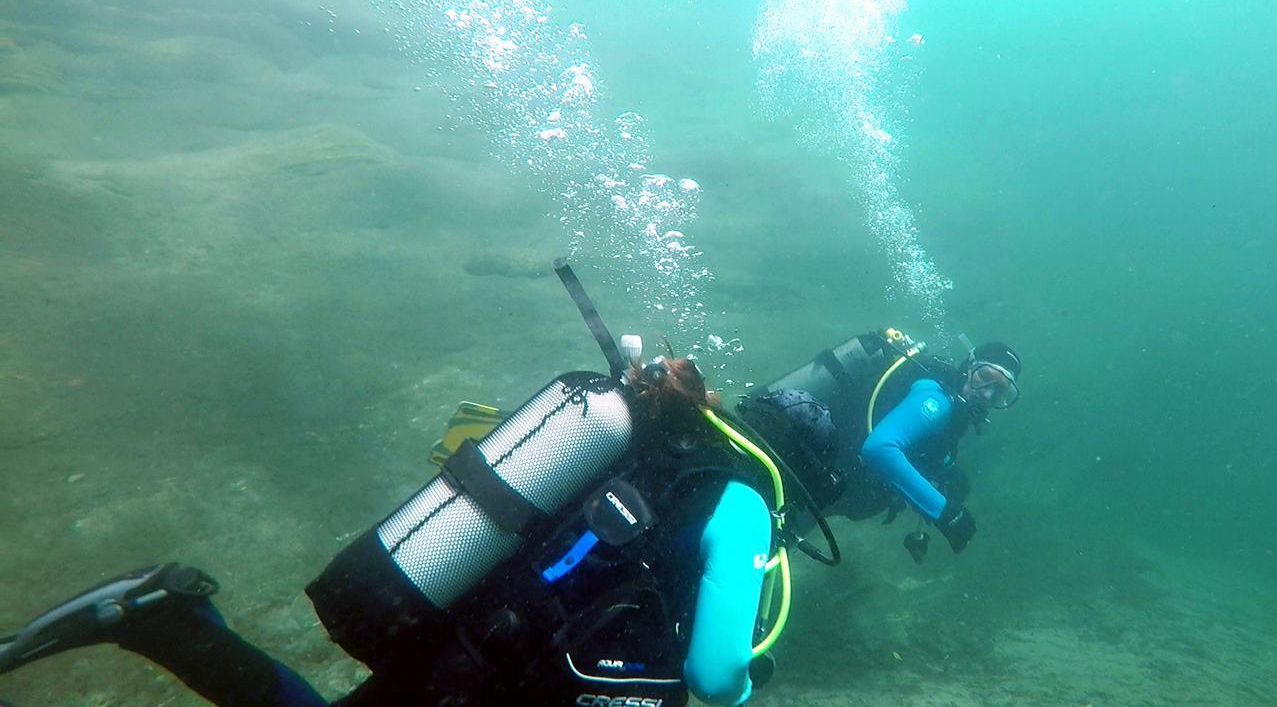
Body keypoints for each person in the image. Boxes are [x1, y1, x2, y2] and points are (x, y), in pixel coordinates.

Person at [0, 264, 797, 707]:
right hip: (507, 678)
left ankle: (164, 620)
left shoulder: (627, 444)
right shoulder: (742, 500)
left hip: (454, 631)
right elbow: (713, 674)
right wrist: (742, 684)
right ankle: (165, 619)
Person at [737, 329, 1022, 561]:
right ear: (968, 367)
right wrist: (944, 512)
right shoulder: (937, 400)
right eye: (985, 377)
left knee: (750, 544)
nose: (986, 394)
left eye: (1000, 391)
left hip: (812, 477)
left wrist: (945, 473)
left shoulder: (951, 415)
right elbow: (879, 449)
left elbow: (914, 449)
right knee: (746, 552)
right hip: (804, 474)